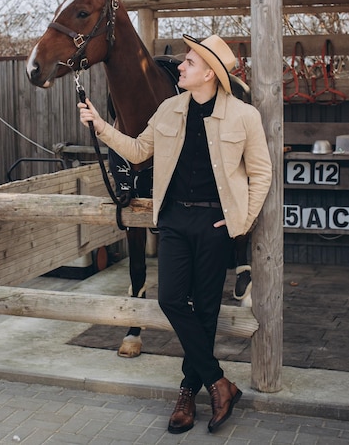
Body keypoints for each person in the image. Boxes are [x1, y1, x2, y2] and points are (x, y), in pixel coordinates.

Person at [78, 33, 272, 435]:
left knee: (205, 311)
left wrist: (240, 223)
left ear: (210, 75)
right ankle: (219, 382)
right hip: (174, 223)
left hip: (215, 225)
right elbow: (136, 151)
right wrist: (99, 125)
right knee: (170, 299)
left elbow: (261, 173)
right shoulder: (168, 110)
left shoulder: (243, 116)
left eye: (189, 63)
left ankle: (188, 391)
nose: (180, 66)